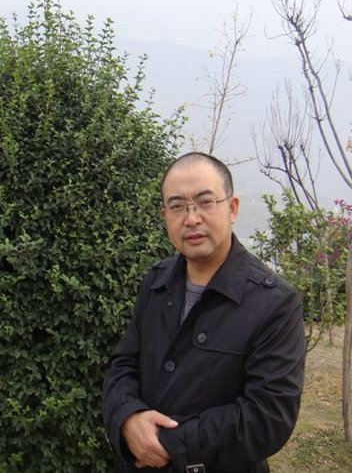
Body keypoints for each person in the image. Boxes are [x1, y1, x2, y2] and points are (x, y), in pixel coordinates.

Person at [102, 152, 305, 473]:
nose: (192, 218)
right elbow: (123, 365)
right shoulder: (156, 282)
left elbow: (268, 417)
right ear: (165, 215)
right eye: (177, 206)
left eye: (205, 202)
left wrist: (168, 443)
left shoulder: (274, 302)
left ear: (232, 208)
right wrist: (127, 417)